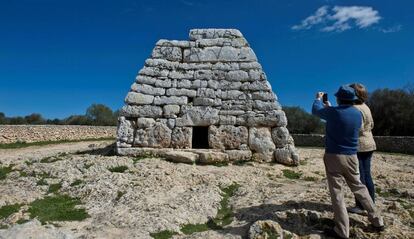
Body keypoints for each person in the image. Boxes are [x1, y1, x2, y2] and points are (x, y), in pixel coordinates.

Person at [312, 85, 384, 239]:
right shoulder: (357, 114)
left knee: (337, 194)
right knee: (360, 188)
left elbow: (315, 111)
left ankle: (342, 230)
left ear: (338, 98)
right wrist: (331, 109)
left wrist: (318, 99)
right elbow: (342, 117)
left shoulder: (333, 113)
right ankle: (378, 220)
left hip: (333, 156)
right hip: (351, 156)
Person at [348, 83, 377, 214]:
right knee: (367, 175)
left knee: (359, 178)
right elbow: (371, 124)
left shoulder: (354, 109)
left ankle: (361, 206)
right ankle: (371, 203)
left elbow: (356, 127)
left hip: (359, 145)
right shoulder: (365, 107)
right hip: (369, 143)